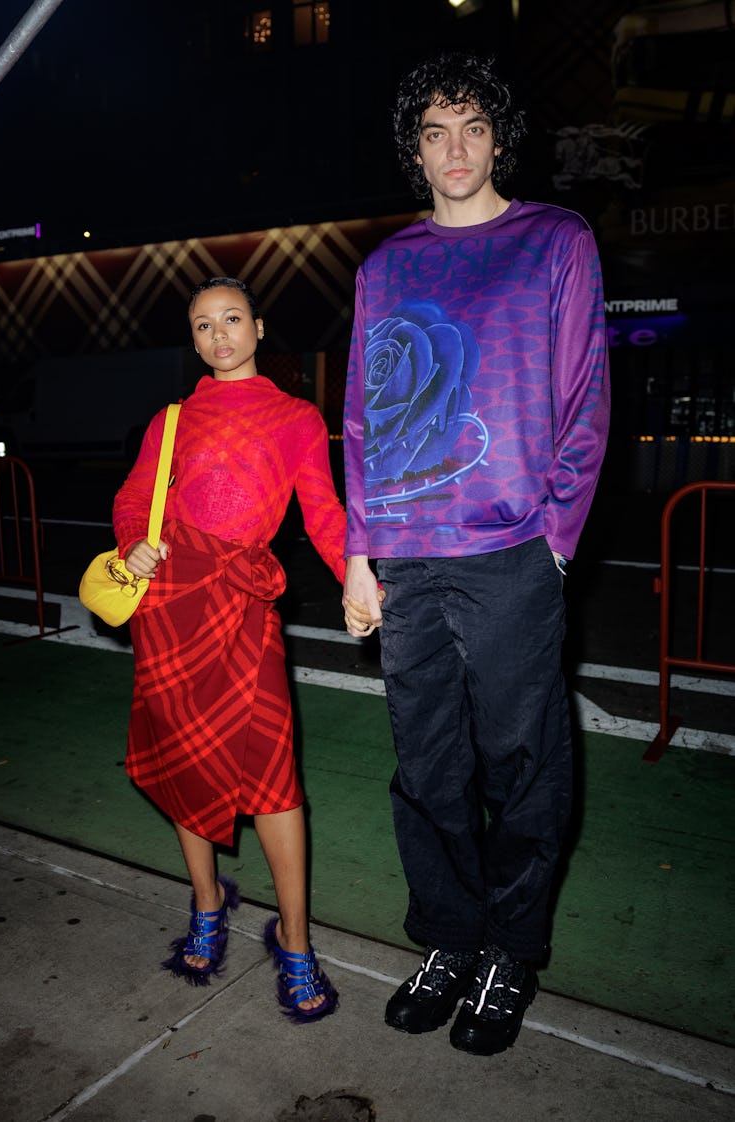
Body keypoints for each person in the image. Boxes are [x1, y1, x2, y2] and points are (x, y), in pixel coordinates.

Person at [342, 51, 610, 1056]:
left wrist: (553, 541)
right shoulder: (384, 266)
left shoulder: (554, 240)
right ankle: (450, 939)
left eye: (472, 128)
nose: (454, 150)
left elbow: (583, 401)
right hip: (406, 559)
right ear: (415, 151)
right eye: (433, 133)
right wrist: (359, 554)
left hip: (509, 551)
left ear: (498, 136)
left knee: (523, 762)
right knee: (428, 768)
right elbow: (364, 421)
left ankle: (512, 951)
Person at [113, 275, 374, 1021]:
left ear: (259, 328)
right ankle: (206, 903)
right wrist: (135, 543)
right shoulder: (172, 421)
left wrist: (358, 581)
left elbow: (325, 513)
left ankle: (295, 939)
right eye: (203, 325)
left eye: (231, 319)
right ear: (193, 339)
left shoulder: (295, 418)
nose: (218, 334)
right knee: (185, 760)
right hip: (169, 610)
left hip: (243, 610)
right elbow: (134, 499)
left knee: (274, 775)